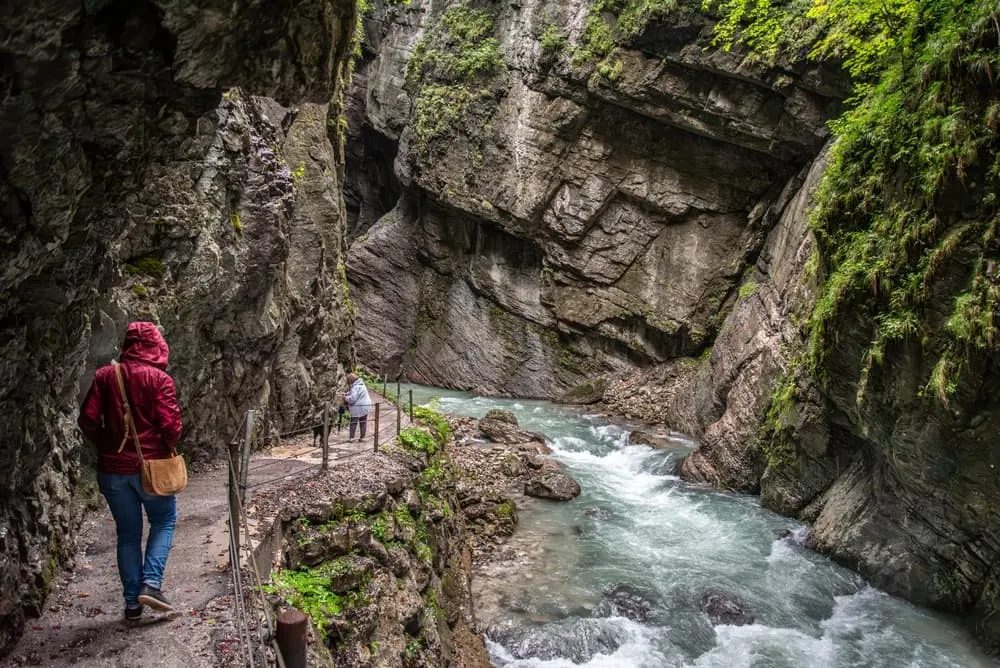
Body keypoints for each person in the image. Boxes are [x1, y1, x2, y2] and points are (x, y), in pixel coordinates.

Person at [78, 322, 182, 621]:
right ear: (156, 346)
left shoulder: (105, 376)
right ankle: (151, 584)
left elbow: (86, 419)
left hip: (112, 470)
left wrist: (106, 444)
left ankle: (132, 605)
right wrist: (161, 447)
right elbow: (171, 428)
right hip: (152, 470)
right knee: (163, 520)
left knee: (127, 534)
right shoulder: (160, 380)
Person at [341, 372, 372, 441]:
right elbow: (354, 392)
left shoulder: (355, 387)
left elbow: (352, 399)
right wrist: (346, 394)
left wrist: (345, 397)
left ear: (350, 380)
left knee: (353, 422)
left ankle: (351, 438)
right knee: (363, 422)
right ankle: (362, 437)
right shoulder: (361, 384)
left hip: (358, 407)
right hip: (366, 406)